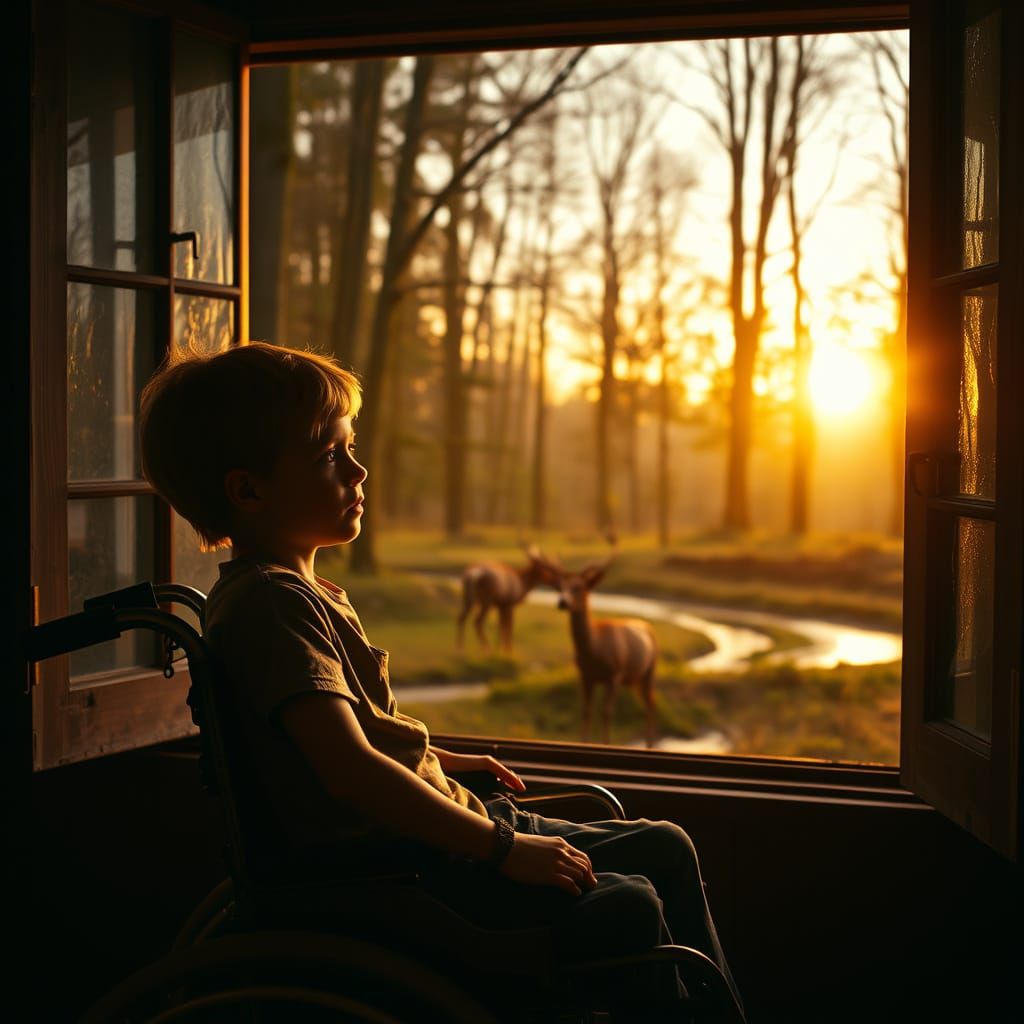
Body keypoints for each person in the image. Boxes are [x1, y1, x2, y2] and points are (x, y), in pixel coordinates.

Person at [138, 340, 745, 1022]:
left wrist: (442, 759)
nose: (359, 469)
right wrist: (504, 848)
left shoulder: (302, 592)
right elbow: (348, 769)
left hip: (431, 827)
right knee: (630, 903)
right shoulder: (270, 607)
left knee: (665, 843)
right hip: (397, 869)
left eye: (352, 447)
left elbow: (342, 737)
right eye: (330, 456)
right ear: (248, 490)